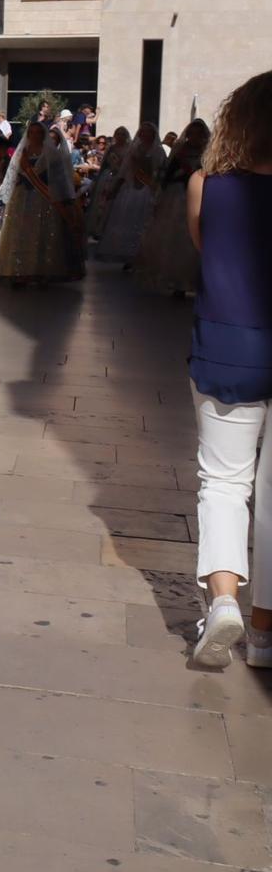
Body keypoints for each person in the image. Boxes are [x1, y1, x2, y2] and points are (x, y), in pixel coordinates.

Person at [183, 74, 272, 668]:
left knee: (224, 481)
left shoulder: (204, 186)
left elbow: (204, 248)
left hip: (227, 344)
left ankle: (223, 602)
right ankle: (265, 633)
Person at [0, 122, 83, 286]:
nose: (35, 135)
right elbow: (14, 174)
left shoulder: (50, 153)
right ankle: (20, 270)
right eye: (32, 132)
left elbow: (57, 177)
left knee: (43, 233)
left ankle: (42, 270)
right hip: (22, 196)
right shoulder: (22, 151)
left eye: (39, 132)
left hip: (44, 197)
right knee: (21, 233)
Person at [134, 119, 210, 296]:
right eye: (193, 133)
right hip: (177, 197)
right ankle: (178, 280)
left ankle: (196, 279)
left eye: (200, 134)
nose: (196, 137)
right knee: (176, 237)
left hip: (201, 196)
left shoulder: (208, 154)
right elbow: (166, 174)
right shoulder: (179, 153)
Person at [94, 124, 164, 262]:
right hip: (131, 189)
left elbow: (160, 170)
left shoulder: (158, 151)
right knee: (127, 221)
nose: (145, 135)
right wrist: (115, 188)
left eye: (149, 132)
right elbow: (124, 171)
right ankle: (128, 254)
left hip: (149, 189)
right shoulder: (133, 150)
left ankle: (143, 254)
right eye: (143, 132)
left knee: (145, 222)